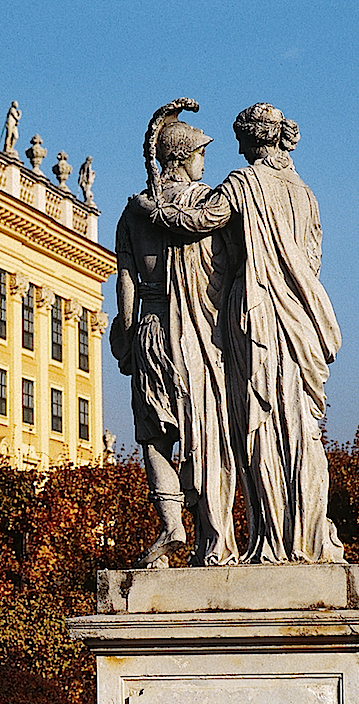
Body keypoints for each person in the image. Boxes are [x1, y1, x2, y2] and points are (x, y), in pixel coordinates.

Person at [138, 103, 345, 563]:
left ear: (251, 141)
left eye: (237, 140)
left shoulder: (243, 183)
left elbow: (194, 222)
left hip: (255, 314)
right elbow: (313, 256)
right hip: (300, 317)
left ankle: (274, 542)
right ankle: (309, 535)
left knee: (261, 425)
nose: (231, 149)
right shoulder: (305, 193)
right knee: (302, 425)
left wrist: (151, 207)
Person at [112, 107, 239, 568]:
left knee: (153, 434)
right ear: (183, 157)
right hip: (198, 331)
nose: (205, 159)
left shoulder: (134, 210)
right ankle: (213, 534)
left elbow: (126, 281)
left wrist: (125, 336)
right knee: (206, 431)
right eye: (201, 151)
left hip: (149, 327)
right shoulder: (207, 204)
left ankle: (171, 524)